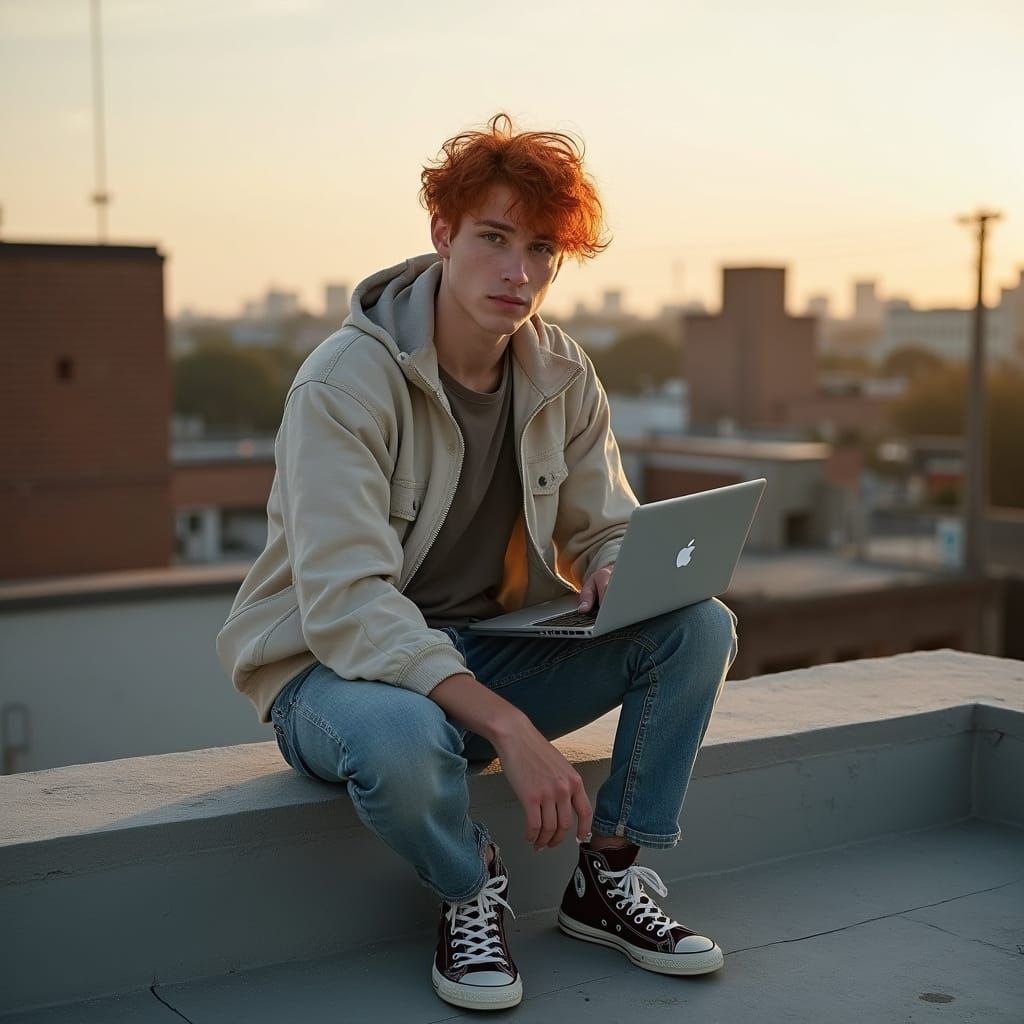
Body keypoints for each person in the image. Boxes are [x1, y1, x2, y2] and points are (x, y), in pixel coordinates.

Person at [217, 113, 738, 1012]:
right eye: (495, 239)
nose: (520, 272)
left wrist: (613, 568)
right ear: (442, 235)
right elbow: (344, 604)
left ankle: (607, 877)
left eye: (542, 249)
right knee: (400, 738)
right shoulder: (344, 383)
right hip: (332, 675)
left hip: (487, 646)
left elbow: (603, 523)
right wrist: (509, 728)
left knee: (696, 626)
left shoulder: (562, 373)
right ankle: (470, 888)